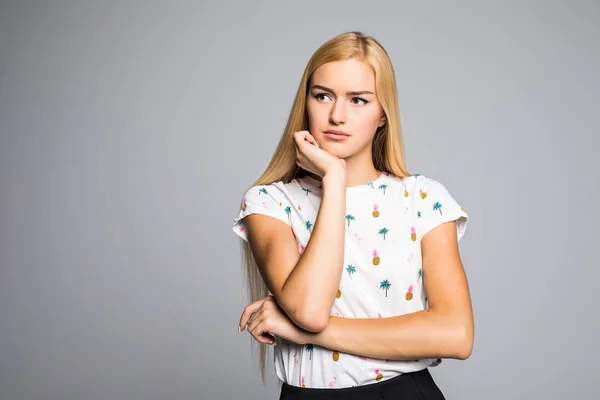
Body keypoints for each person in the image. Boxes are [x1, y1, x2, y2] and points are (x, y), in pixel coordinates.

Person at [231, 31, 473, 399]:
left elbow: (456, 335)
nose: (337, 115)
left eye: (358, 100)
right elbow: (309, 310)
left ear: (381, 116)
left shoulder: (422, 198)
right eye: (323, 95)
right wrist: (334, 177)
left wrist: (298, 331)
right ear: (306, 102)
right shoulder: (269, 202)